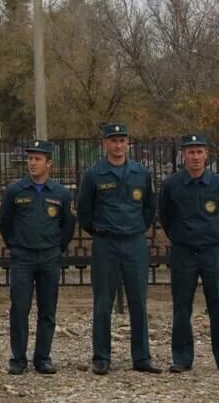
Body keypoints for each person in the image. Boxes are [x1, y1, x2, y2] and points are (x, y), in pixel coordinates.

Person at [76, 122, 161, 375]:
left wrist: (135, 228)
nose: (118, 145)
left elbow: (149, 209)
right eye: (113, 140)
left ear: (128, 143)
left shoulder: (141, 173)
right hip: (106, 243)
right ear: (105, 143)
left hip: (134, 241)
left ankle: (142, 357)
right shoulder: (94, 174)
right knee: (104, 301)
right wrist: (102, 231)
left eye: (122, 140)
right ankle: (101, 357)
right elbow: (84, 212)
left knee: (138, 301)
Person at [158, 133, 219, 373]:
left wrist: (214, 237)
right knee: (182, 306)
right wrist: (180, 236)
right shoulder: (171, 184)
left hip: (211, 250)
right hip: (183, 252)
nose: (195, 157)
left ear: (207, 154)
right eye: (190, 152)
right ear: (183, 155)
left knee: (217, 303)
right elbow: (165, 217)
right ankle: (182, 358)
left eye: (199, 152)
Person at [0, 139, 75, 375]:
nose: (32, 163)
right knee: (19, 308)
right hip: (23, 257)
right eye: (30, 158)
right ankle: (18, 359)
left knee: (47, 309)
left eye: (37, 159)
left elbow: (68, 225)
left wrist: (56, 248)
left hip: (50, 256)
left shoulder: (60, 193)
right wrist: (16, 245)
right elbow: (5, 223)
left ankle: (42, 358)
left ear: (48, 163)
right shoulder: (15, 191)